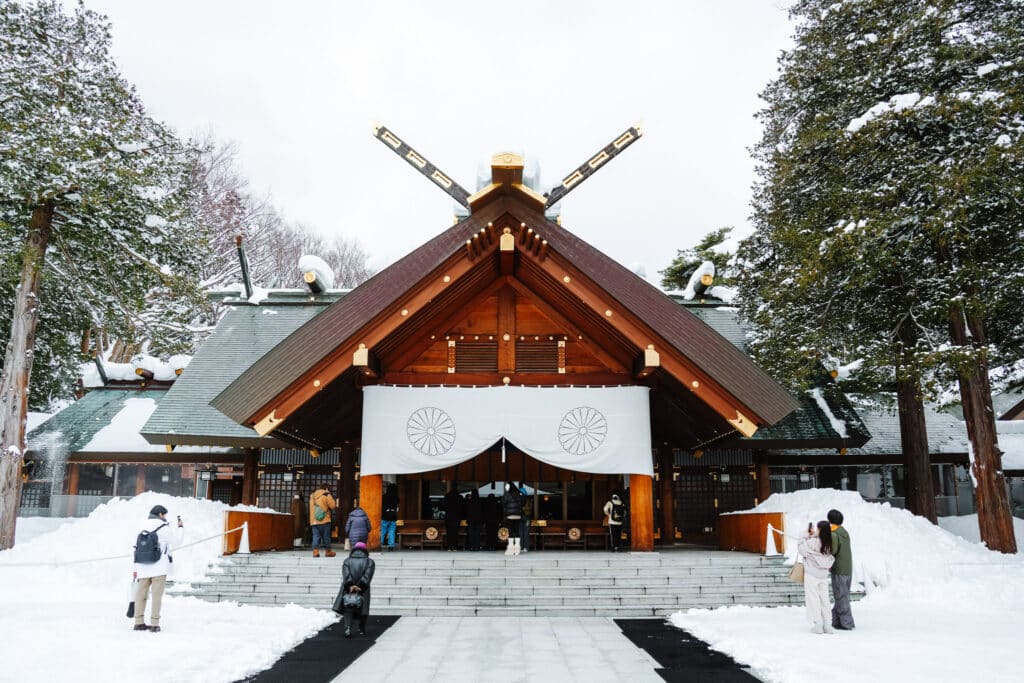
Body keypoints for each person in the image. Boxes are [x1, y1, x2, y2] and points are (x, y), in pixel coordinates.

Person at [131, 504, 183, 632]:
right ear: (160, 514)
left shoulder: (141, 524)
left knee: (141, 595)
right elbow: (177, 542)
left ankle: (138, 622)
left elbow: (135, 546)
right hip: (159, 567)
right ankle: (154, 624)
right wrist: (180, 527)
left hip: (143, 565)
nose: (165, 517)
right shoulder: (164, 528)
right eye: (164, 514)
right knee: (156, 596)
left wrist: (135, 567)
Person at [798, 520, 836, 634]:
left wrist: (804, 535)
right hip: (823, 576)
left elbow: (801, 548)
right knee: (825, 600)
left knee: (813, 599)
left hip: (811, 575)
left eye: (818, 529)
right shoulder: (829, 544)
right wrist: (814, 535)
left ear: (820, 531)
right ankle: (828, 625)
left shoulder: (812, 543)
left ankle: (818, 625)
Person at [340, 541, 375, 638]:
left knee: (348, 606)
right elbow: (368, 575)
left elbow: (346, 574)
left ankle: (347, 627)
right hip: (363, 589)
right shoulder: (369, 561)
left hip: (349, 588)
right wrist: (360, 586)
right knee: (364, 608)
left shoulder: (347, 561)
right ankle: (362, 628)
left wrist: (351, 585)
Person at [828, 509, 856, 630]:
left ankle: (847, 623)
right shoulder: (844, 532)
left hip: (839, 569)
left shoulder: (834, 534)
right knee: (842, 595)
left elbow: (832, 551)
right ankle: (836, 621)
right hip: (847, 569)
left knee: (840, 596)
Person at [309, 485, 337, 558]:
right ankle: (328, 552)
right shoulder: (326, 494)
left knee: (316, 536)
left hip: (314, 520)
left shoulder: (312, 495)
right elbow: (333, 506)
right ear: (326, 488)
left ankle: (315, 552)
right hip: (324, 520)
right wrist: (329, 495)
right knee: (326, 537)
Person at [502, 482, 523, 555]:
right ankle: (517, 549)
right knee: (517, 532)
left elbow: (503, 503)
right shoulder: (519, 494)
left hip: (509, 516)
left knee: (510, 532)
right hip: (518, 516)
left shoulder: (507, 494)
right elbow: (523, 502)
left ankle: (510, 549)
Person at [442, 483, 464, 551]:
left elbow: (443, 506)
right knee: (455, 532)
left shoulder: (447, 496)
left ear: (451, 488)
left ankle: (449, 547)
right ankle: (454, 547)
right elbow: (462, 508)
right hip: (457, 517)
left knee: (449, 532)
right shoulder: (460, 497)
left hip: (448, 516)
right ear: (457, 487)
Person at [381, 483, 399, 552]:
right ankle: (391, 546)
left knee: (383, 531)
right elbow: (397, 507)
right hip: (393, 517)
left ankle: (380, 543)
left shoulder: (384, 497)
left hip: (384, 516)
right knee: (391, 531)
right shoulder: (396, 497)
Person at [519, 485, 532, 553]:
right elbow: (530, 509)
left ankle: (521, 547)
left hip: (520, 517)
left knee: (521, 533)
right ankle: (526, 547)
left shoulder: (518, 499)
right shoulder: (528, 500)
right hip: (527, 518)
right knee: (526, 533)